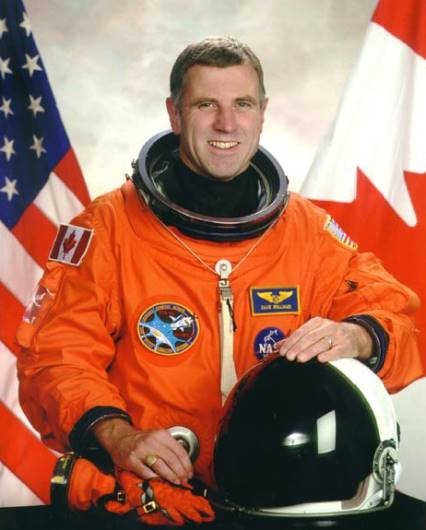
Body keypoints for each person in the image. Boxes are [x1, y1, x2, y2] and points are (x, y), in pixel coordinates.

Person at [17, 36, 422, 499]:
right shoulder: (107, 229)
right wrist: (118, 435)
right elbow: (56, 357)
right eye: (206, 104)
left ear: (262, 113)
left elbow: (395, 315)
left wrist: (358, 335)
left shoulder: (306, 231)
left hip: (279, 495)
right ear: (174, 114)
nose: (226, 123)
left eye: (242, 104)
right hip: (152, 495)